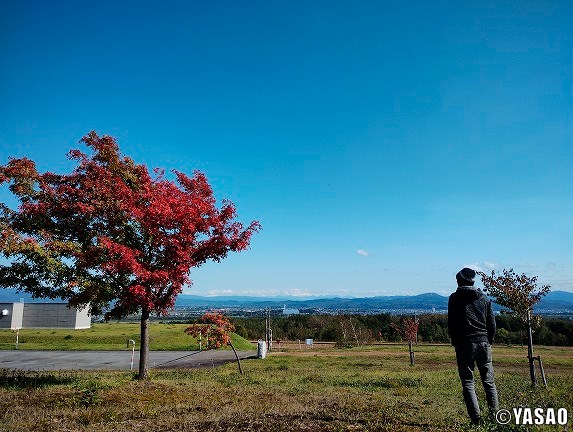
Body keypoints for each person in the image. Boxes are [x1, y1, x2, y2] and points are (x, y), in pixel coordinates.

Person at [448, 267, 499, 424]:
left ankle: (477, 421)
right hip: (483, 342)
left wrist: (456, 341)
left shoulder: (454, 298)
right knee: (489, 382)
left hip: (464, 344)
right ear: (472, 280)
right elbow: (492, 324)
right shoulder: (484, 298)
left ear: (459, 281)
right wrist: (488, 340)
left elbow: (452, 324)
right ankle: (495, 418)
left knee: (468, 383)